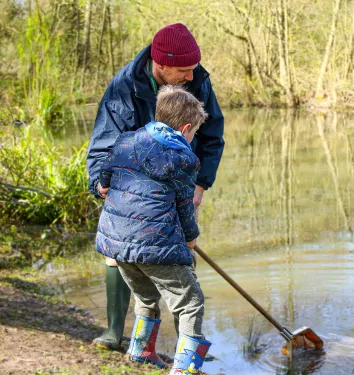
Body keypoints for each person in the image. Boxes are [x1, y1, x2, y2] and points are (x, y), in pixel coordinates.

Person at [86, 23, 224, 351]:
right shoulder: (125, 87)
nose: (190, 77)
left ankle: (177, 343)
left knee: (181, 258)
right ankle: (115, 331)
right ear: (160, 65)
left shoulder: (199, 81)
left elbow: (212, 135)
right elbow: (105, 141)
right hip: (131, 185)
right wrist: (100, 183)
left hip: (179, 182)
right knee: (119, 253)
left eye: (192, 70)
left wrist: (201, 184)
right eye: (182, 71)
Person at [96, 85, 211, 373]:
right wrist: (190, 240)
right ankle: (185, 369)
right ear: (186, 128)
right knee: (191, 302)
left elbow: (104, 178)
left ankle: (141, 350)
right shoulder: (183, 159)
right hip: (153, 245)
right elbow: (185, 207)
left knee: (146, 295)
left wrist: (104, 186)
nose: (192, 137)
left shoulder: (126, 140)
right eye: (194, 132)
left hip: (116, 244)